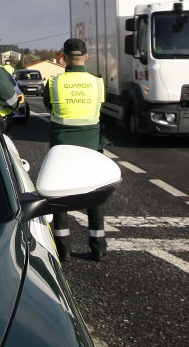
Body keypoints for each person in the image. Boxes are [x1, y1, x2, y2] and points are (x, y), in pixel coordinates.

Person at [43, 38, 110, 262]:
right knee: (94, 195)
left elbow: (48, 105)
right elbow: (100, 107)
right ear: (86, 57)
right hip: (91, 147)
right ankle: (98, 247)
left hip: (61, 148)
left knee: (61, 196)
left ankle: (64, 250)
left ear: (63, 57)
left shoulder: (54, 83)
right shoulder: (97, 83)